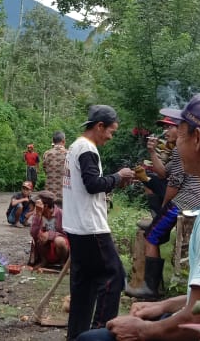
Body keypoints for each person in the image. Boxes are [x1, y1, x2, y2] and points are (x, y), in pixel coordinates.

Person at [76, 92, 200, 341]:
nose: (175, 143)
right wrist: (164, 306)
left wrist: (143, 330)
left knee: (91, 339)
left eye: (181, 134)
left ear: (197, 138)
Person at [63, 104, 136, 340]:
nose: (110, 137)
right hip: (90, 227)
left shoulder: (75, 147)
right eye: (110, 131)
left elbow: (89, 184)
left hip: (76, 225)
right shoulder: (87, 149)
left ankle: (77, 335)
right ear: (99, 126)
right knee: (114, 276)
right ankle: (100, 335)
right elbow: (92, 184)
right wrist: (118, 176)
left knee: (84, 284)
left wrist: (114, 182)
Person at [124, 114, 200, 299]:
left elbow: (174, 183)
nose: (166, 131)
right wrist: (153, 152)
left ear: (182, 129)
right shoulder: (190, 146)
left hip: (186, 200)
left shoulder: (180, 149)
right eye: (165, 127)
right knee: (151, 182)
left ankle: (150, 289)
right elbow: (163, 173)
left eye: (170, 127)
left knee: (150, 237)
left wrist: (163, 208)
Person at [29, 191, 68, 267]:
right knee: (39, 235)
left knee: (59, 241)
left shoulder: (61, 214)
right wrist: (38, 216)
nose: (36, 205)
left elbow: (67, 234)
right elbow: (33, 233)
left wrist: (50, 235)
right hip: (44, 245)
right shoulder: (38, 213)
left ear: (45, 206)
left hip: (59, 245)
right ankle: (44, 261)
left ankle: (62, 262)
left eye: (38, 203)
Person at [42, 131, 67, 199]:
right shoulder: (69, 154)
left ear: (53, 141)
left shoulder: (46, 154)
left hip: (49, 196)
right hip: (64, 195)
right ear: (63, 141)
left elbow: (45, 170)